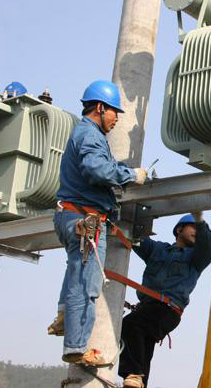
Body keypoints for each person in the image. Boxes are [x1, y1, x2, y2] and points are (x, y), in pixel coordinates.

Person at [48, 80, 148, 365]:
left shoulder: (84, 134)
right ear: (100, 108)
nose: (117, 119)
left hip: (70, 215)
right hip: (85, 220)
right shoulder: (90, 136)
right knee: (86, 285)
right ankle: (77, 348)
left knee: (75, 272)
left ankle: (65, 316)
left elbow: (97, 168)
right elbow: (96, 169)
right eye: (115, 112)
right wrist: (131, 175)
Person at [119, 213, 211, 388]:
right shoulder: (158, 250)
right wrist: (121, 219)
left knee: (130, 325)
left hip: (168, 310)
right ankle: (137, 380)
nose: (197, 233)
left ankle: (133, 373)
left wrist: (200, 221)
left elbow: (208, 246)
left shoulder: (196, 258)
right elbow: (137, 239)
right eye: (193, 228)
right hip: (147, 308)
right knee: (143, 348)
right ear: (179, 229)